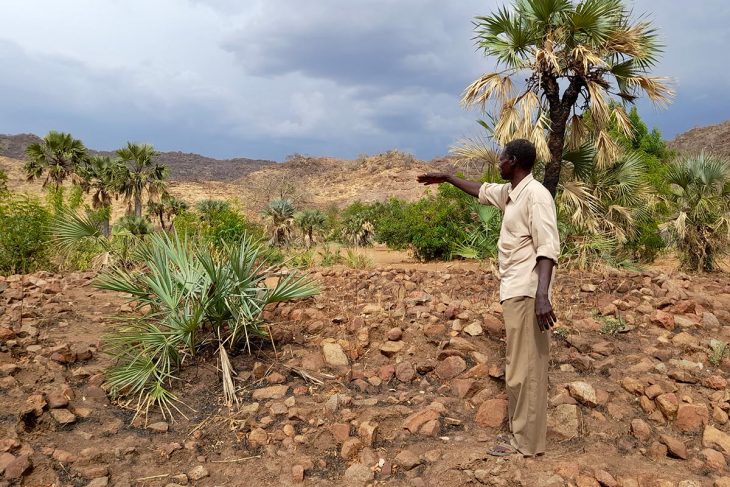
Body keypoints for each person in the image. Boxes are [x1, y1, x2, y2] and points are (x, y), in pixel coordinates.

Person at [417, 138, 560, 457]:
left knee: (527, 369)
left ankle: (526, 443)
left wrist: (542, 296)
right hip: (514, 291)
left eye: (502, 159)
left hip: (527, 292)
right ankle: (524, 437)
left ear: (515, 161)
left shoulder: (536, 195)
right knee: (518, 367)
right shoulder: (512, 193)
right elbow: (481, 190)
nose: (498, 163)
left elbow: (547, 247)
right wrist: (449, 179)